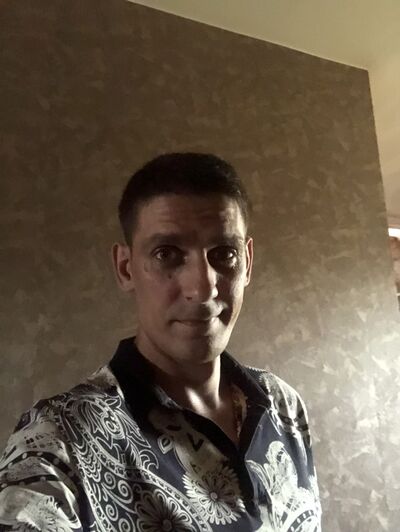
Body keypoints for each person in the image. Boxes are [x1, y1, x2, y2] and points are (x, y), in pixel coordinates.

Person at [0, 153, 321, 531]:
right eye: (167, 254)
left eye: (224, 254)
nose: (203, 288)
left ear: (247, 263)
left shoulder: (282, 404)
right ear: (126, 268)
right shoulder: (58, 437)